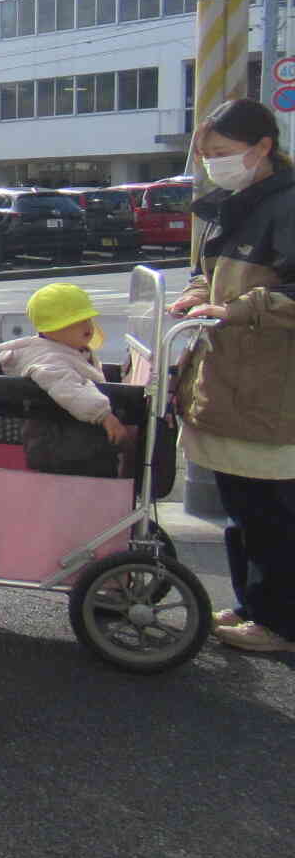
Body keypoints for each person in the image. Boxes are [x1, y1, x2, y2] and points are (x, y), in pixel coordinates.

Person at [169, 97, 295, 655]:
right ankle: (253, 607)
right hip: (229, 382)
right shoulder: (236, 203)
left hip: (270, 388)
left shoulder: (287, 205)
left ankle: (279, 624)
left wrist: (239, 308)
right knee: (242, 509)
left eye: (223, 153)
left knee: (269, 514)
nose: (213, 164)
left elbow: (281, 294)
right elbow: (209, 273)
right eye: (207, 155)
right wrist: (198, 295)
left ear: (263, 147)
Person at [0, 283, 133, 477]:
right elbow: (70, 389)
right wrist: (104, 416)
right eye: (77, 321)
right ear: (50, 330)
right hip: (61, 444)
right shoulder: (48, 359)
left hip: (69, 442)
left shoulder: (69, 349)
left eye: (88, 319)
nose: (87, 326)